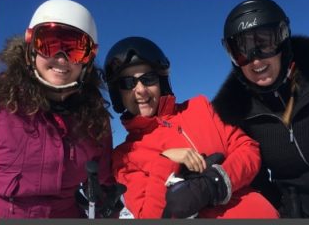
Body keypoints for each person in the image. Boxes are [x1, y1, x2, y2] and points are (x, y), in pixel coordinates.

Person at [104, 37, 278, 219]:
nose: (140, 90)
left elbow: (248, 149)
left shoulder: (201, 107)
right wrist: (165, 161)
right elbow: (149, 216)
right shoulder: (125, 157)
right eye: (127, 83)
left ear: (161, 82)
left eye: (148, 79)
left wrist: (214, 183)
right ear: (118, 93)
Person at [0, 0, 118, 218]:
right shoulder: (1, 102)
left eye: (75, 50)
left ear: (88, 60)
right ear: (31, 45)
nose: (62, 59)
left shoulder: (93, 117)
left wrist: (108, 205)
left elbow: (104, 180)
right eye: (50, 44)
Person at [211, 0, 309, 218]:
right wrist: (280, 209)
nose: (255, 61)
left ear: (283, 41)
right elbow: (254, 179)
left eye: (264, 44)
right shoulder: (239, 114)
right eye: (241, 51)